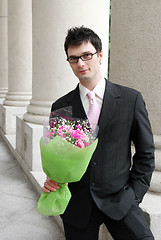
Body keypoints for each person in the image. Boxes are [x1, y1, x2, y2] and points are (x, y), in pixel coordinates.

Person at [42, 26, 155, 240]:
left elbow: (146, 154)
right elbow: (57, 155)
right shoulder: (61, 106)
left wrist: (133, 196)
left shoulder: (131, 99)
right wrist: (53, 180)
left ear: (100, 55)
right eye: (73, 59)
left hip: (120, 199)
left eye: (87, 55)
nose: (81, 64)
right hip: (78, 205)